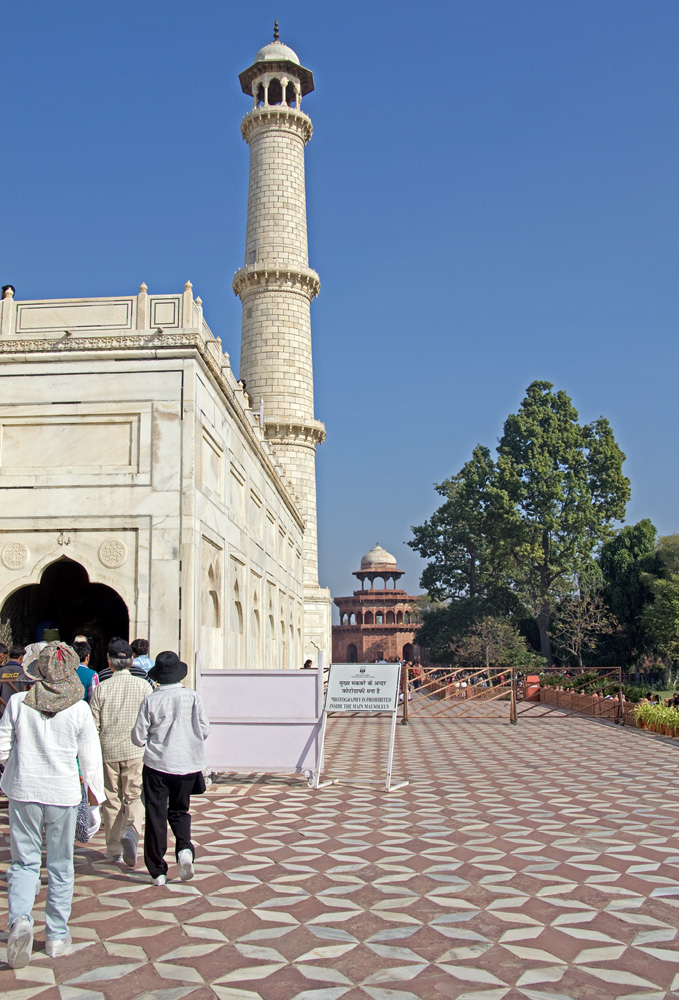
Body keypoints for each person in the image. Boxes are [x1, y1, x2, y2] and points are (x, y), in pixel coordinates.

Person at [0, 642, 104, 967]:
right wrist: (95, 803)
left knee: (24, 863)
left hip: (23, 791)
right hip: (62, 794)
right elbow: (90, 760)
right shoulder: (79, 709)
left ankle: (20, 919)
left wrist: (14, 767)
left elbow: (2, 748)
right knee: (60, 865)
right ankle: (57, 936)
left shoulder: (18, 702)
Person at [131, 651, 209, 885]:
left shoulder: (151, 700)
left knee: (156, 814)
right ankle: (184, 849)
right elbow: (204, 730)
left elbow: (138, 737)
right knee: (179, 810)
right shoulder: (192, 697)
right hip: (187, 764)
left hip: (158, 764)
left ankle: (158, 871)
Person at [89, 638, 150, 867]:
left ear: (109, 662)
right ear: (131, 661)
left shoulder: (102, 688)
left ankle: (114, 848)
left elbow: (93, 724)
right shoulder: (143, 686)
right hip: (135, 749)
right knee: (134, 795)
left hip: (108, 750)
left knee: (111, 798)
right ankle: (131, 831)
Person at [0, 645, 32, 714]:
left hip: (2, 711)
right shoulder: (26, 672)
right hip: (19, 710)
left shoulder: (1, 671)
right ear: (21, 658)